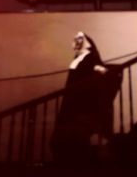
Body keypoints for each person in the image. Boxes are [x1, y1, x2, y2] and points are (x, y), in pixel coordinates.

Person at [51, 32, 119, 162]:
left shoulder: (89, 58)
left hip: (84, 107)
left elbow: (99, 69)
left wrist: (103, 70)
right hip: (77, 105)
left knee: (77, 137)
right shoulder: (80, 59)